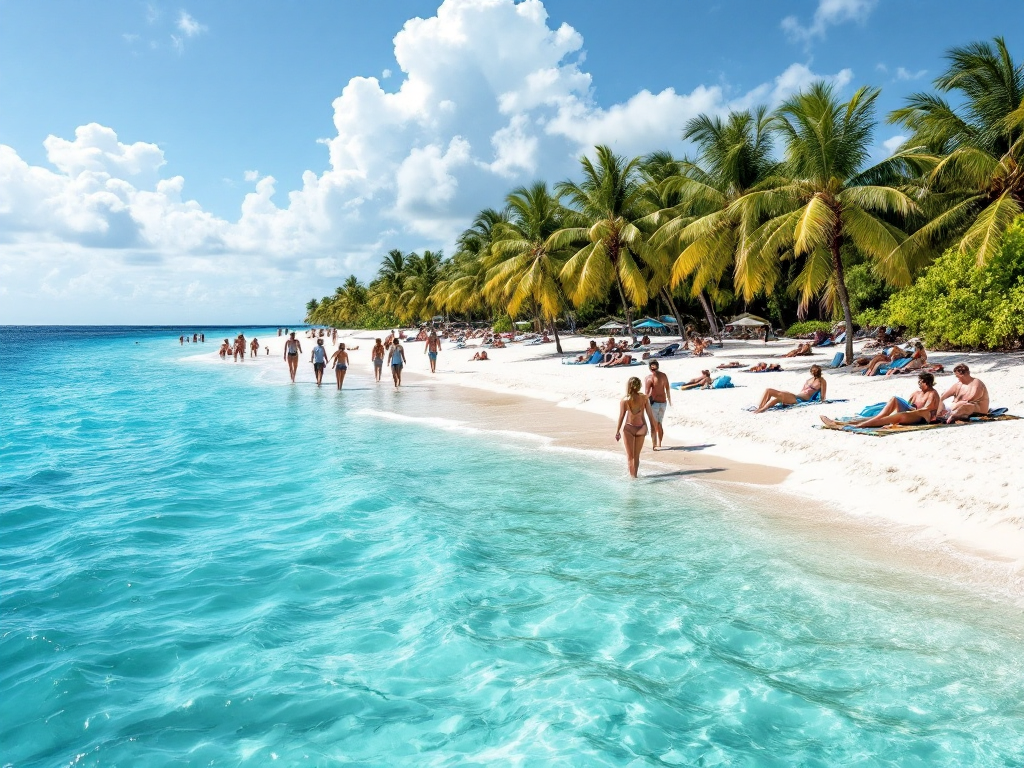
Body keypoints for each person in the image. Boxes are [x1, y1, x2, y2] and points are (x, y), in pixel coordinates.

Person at [821, 373, 940, 429]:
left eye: (920, 382)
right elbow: (909, 404)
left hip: (920, 417)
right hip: (911, 412)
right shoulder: (916, 393)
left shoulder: (932, 394)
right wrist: (909, 409)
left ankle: (858, 426)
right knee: (894, 399)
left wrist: (911, 412)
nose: (918, 384)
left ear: (926, 382)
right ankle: (837, 422)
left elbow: (928, 408)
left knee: (889, 419)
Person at [615, 377, 656, 478]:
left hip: (629, 428)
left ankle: (632, 478)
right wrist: (653, 429)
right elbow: (650, 415)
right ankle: (635, 476)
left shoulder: (625, 400)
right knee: (636, 456)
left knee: (630, 456)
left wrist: (617, 431)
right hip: (641, 428)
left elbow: (621, 416)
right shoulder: (644, 398)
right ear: (639, 386)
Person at [754, 365, 826, 413]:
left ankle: (761, 409)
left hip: (800, 400)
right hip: (796, 396)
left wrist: (821, 401)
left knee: (771, 392)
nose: (814, 373)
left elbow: (822, 396)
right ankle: (760, 408)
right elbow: (803, 391)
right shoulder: (809, 380)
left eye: (815, 371)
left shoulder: (822, 381)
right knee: (771, 393)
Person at [644, 361, 672, 450]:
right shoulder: (663, 375)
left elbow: (647, 393)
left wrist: (643, 402)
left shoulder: (649, 378)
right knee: (659, 424)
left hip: (655, 403)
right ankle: (659, 443)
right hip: (663, 402)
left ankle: (654, 445)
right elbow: (667, 388)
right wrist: (669, 400)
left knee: (654, 425)